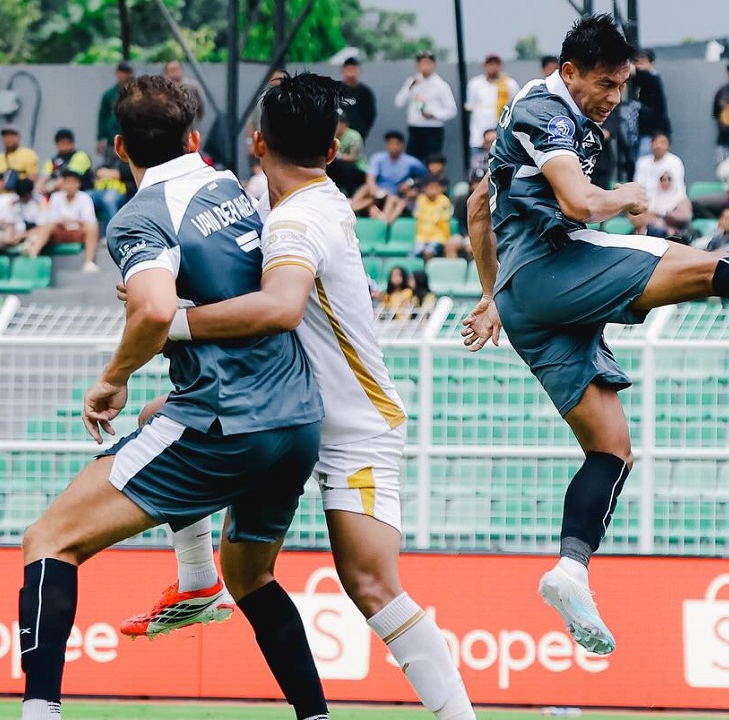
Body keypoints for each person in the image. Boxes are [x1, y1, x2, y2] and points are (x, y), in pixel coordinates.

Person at [463, 13, 729, 656]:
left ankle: (571, 569)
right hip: (555, 270)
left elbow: (478, 207)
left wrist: (493, 295)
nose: (615, 97)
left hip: (527, 302)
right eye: (604, 83)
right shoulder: (547, 111)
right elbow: (575, 202)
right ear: (568, 72)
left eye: (623, 84)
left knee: (611, 448)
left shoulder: (539, 113)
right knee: (708, 268)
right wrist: (620, 195)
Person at [118, 73, 478, 720]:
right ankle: (203, 585)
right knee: (167, 425)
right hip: (285, 407)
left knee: (371, 584)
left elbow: (282, 306)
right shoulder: (273, 197)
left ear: (257, 141)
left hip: (352, 426)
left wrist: (169, 320)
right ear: (334, 149)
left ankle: (460, 717)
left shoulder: (298, 222)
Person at [19, 74, 331, 720]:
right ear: (194, 138)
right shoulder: (228, 187)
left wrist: (113, 377)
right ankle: (310, 709)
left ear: (116, 147)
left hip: (229, 423)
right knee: (253, 576)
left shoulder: (140, 217)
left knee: (49, 538)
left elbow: (156, 310)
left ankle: (38, 711)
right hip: (298, 417)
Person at [21, 170, 101, 271]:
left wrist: (72, 220)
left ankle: (89, 262)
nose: (70, 185)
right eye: (68, 182)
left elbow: (89, 219)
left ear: (78, 184)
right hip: (59, 232)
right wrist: (62, 221)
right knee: (49, 225)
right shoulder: (56, 197)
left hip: (77, 233)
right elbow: (52, 218)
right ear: (63, 184)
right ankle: (33, 254)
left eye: (73, 182)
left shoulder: (85, 198)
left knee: (92, 226)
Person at [395, 51, 458, 161]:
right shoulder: (412, 81)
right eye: (422, 63)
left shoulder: (441, 85)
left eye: (428, 63)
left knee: (433, 160)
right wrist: (410, 88)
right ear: (417, 65)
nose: (425, 66)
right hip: (415, 127)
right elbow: (399, 103)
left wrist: (434, 115)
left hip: (433, 128)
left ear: (434, 65)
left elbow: (452, 110)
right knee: (413, 159)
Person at [352, 131, 427, 222]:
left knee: (392, 200)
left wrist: (410, 182)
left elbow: (424, 178)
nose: (393, 147)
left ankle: (384, 220)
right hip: (377, 192)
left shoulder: (412, 162)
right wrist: (375, 191)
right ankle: (352, 207)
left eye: (396, 144)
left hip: (396, 194)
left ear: (402, 145)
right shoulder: (378, 158)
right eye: (390, 144)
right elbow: (371, 178)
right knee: (366, 188)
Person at [466, 54, 521, 155]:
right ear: (485, 66)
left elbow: (515, 108)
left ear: (501, 66)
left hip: (502, 136)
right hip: (478, 135)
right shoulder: (475, 84)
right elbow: (470, 106)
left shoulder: (510, 84)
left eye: (496, 64)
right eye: (490, 64)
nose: (493, 67)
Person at [632, 49, 671, 157]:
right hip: (643, 132)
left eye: (642, 62)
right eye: (637, 62)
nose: (639, 66)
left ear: (651, 63)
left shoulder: (652, 78)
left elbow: (640, 74)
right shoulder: (643, 80)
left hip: (653, 133)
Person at [96, 61, 134, 166]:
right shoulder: (109, 94)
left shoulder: (136, 93)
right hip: (111, 140)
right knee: (109, 167)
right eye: (123, 72)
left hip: (131, 140)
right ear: (117, 73)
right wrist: (100, 138)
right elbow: (102, 116)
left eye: (128, 72)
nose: (126, 75)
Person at [38, 129, 93, 195]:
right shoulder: (51, 160)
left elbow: (69, 179)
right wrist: (38, 189)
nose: (64, 147)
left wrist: (47, 188)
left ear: (72, 143)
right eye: (61, 144)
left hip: (81, 193)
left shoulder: (81, 156)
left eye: (67, 143)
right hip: (57, 194)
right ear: (56, 144)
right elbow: (43, 178)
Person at [632, 133, 685, 197]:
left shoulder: (675, 162)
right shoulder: (642, 162)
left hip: (670, 200)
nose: (658, 145)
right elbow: (638, 184)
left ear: (668, 146)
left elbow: (677, 187)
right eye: (655, 142)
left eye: (662, 143)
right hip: (646, 200)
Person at [414, 177, 453, 260]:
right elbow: (416, 214)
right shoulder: (421, 199)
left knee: (428, 252)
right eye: (430, 187)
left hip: (438, 237)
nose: (433, 190)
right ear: (425, 188)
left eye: (435, 187)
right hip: (422, 237)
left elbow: (445, 217)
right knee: (414, 253)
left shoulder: (444, 200)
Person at [341, 56, 377, 139]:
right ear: (343, 70)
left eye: (354, 69)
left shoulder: (365, 92)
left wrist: (362, 132)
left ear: (359, 70)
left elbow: (370, 115)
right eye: (348, 69)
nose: (351, 73)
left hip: (357, 134)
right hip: (337, 135)